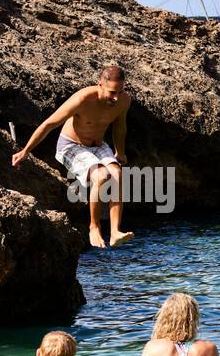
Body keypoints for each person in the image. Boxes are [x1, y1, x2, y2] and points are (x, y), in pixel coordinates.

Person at [11, 64, 134, 249]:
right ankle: (94, 226)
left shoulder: (123, 100)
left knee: (117, 174)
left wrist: (120, 152)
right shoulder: (82, 99)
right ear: (99, 84)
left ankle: (115, 232)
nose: (116, 97)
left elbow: (120, 127)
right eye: (111, 92)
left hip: (98, 145)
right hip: (70, 146)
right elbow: (49, 124)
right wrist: (25, 151)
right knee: (101, 176)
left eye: (120, 91)